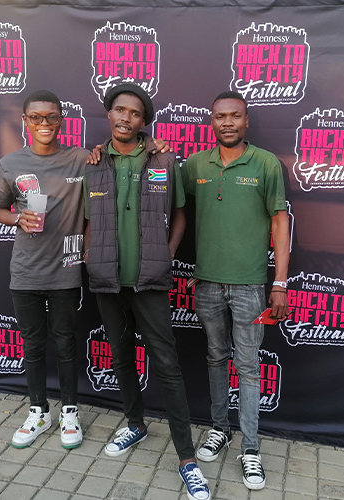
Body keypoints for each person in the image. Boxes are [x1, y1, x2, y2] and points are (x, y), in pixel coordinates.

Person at [83, 83, 211, 500]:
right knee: (121, 356)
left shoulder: (163, 159)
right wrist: (89, 256)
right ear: (109, 114)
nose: (126, 117)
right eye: (120, 110)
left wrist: (167, 253)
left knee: (167, 365)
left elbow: (180, 214)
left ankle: (187, 460)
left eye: (135, 113)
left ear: (144, 121)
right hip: (107, 279)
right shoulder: (93, 162)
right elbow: (87, 219)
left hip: (150, 279)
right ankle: (135, 424)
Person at [182, 90, 290, 491]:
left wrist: (279, 283)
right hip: (207, 282)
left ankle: (251, 448)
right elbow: (169, 199)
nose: (227, 122)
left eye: (235, 116)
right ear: (211, 121)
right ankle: (219, 429)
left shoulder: (265, 163)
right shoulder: (196, 164)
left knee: (247, 366)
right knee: (215, 357)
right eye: (220, 116)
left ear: (246, 121)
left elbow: (280, 222)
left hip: (249, 285)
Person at [0, 89, 87, 450]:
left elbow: (121, 153)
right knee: (32, 345)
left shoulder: (82, 158)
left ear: (61, 120)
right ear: (25, 121)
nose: (44, 123)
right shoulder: (11, 162)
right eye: (36, 117)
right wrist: (18, 218)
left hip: (65, 270)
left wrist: (154, 144)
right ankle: (38, 411)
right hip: (26, 271)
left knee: (65, 344)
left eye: (51, 117)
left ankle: (69, 411)